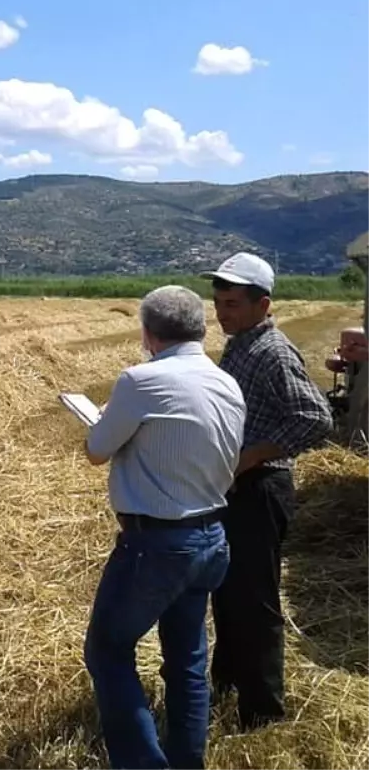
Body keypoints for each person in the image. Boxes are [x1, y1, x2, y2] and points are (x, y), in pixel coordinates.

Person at [82, 285, 246, 770]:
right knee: (187, 660)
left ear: (148, 333)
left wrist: (107, 419)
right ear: (200, 328)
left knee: (108, 651)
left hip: (155, 543)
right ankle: (187, 759)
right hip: (212, 537)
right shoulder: (225, 382)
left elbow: (96, 450)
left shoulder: (141, 380)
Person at [202, 251, 334, 730]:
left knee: (255, 602)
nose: (222, 312)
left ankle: (262, 716)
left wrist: (252, 454)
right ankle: (227, 686)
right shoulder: (242, 344)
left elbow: (316, 418)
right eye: (218, 302)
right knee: (229, 593)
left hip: (261, 488)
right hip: (240, 486)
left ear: (264, 305)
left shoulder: (273, 352)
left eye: (232, 303)